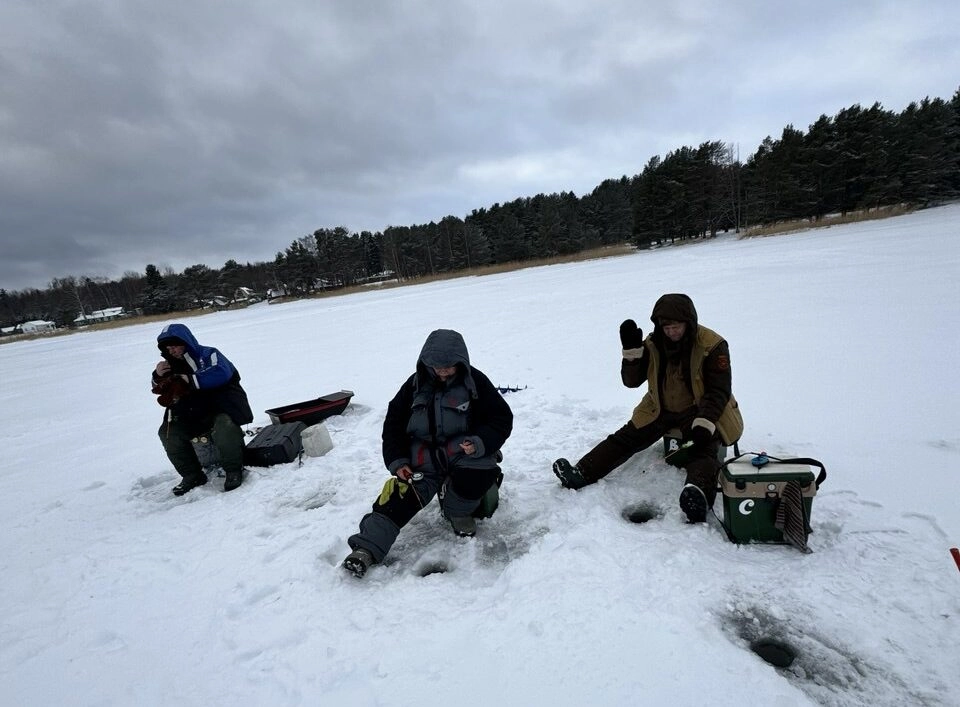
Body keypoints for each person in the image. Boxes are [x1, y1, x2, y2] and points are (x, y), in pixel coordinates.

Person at [552, 293, 743, 522]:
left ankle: (698, 494)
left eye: (677, 326)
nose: (671, 332)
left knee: (703, 449)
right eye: (667, 327)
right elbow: (631, 381)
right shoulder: (654, 343)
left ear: (689, 323)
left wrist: (705, 423)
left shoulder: (712, 346)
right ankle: (581, 473)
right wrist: (632, 352)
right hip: (659, 408)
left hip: (698, 410)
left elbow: (718, 390)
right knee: (624, 439)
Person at [342, 329, 513, 578]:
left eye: (448, 366)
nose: (442, 371)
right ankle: (366, 549)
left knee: (480, 474)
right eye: (436, 366)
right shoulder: (413, 385)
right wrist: (397, 460)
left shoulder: (476, 382)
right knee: (397, 499)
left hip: (463, 452)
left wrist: (479, 442)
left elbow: (501, 418)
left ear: (460, 362)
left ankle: (457, 510)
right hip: (424, 460)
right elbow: (393, 426)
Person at [151, 323, 253, 496]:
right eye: (168, 348)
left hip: (221, 408)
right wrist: (157, 376)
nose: (172, 351)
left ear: (186, 342)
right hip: (190, 414)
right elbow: (159, 389)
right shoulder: (169, 365)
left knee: (225, 426)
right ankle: (192, 475)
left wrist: (188, 379)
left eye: (175, 346)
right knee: (168, 433)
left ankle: (234, 470)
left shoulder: (209, 354)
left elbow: (221, 373)